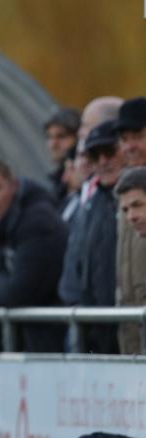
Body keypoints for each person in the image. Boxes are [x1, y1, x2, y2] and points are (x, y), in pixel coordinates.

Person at [0, 159, 67, 352]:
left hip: (51, 339)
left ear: (13, 186)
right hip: (28, 339)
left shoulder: (37, 221)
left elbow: (19, 291)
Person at [68, 122, 127, 354]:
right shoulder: (90, 203)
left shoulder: (132, 198)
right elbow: (75, 265)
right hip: (94, 327)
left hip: (129, 325)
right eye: (94, 155)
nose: (103, 161)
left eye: (109, 152)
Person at [114, 97, 146, 354]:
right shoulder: (125, 189)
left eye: (137, 135)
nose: (129, 146)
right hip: (133, 343)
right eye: (123, 140)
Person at [44, 107, 81, 203]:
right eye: (49, 137)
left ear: (78, 137)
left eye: (61, 136)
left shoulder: (84, 178)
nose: (53, 144)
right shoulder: (57, 180)